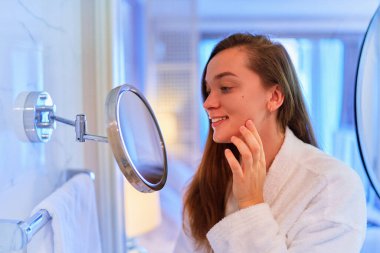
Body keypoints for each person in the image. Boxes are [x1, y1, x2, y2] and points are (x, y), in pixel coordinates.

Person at [173, 33, 366, 253]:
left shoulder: (333, 185)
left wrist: (251, 203)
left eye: (225, 87)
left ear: (274, 97)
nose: (207, 103)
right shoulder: (204, 189)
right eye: (208, 91)